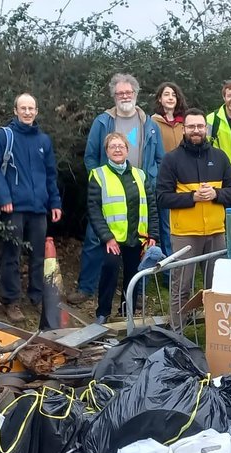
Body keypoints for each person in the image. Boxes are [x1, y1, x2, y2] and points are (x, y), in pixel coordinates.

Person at [72, 73, 164, 304]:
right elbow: (91, 156)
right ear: (114, 95)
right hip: (108, 193)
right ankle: (86, 288)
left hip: (137, 191)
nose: (125, 96)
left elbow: (160, 158)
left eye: (128, 92)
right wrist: (99, 180)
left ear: (135, 94)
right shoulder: (103, 121)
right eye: (120, 93)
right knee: (96, 241)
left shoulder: (149, 123)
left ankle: (136, 295)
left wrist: (149, 180)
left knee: (140, 248)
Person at [0, 93, 62, 323]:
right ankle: (11, 301)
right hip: (12, 208)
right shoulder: (4, 136)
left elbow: (50, 174)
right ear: (15, 111)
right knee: (12, 255)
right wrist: (3, 196)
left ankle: (36, 297)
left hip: (39, 209)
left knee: (38, 255)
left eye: (31, 108)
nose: (27, 112)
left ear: (36, 111)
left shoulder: (43, 140)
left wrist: (54, 202)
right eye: (23, 108)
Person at [157, 108, 231, 328]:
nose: (196, 130)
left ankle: (217, 333)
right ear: (184, 129)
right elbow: (162, 197)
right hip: (185, 234)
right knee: (181, 287)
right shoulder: (171, 159)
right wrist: (192, 197)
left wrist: (216, 194)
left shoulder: (220, 157)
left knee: (216, 286)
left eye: (200, 126)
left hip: (216, 233)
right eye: (191, 126)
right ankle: (178, 334)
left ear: (206, 128)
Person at [87, 133, 159, 324]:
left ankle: (127, 311)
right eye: (113, 147)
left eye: (121, 146)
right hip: (112, 238)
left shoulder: (140, 174)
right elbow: (94, 209)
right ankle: (103, 312)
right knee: (110, 270)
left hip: (137, 236)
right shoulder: (98, 175)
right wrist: (107, 237)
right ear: (107, 151)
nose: (117, 150)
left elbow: (151, 205)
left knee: (133, 274)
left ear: (127, 150)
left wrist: (153, 234)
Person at [151, 81, 188, 259]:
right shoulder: (151, 122)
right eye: (166, 94)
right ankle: (168, 271)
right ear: (159, 98)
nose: (170, 97)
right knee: (166, 226)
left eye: (173, 94)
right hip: (164, 180)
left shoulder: (185, 123)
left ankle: (184, 262)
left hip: (185, 181)